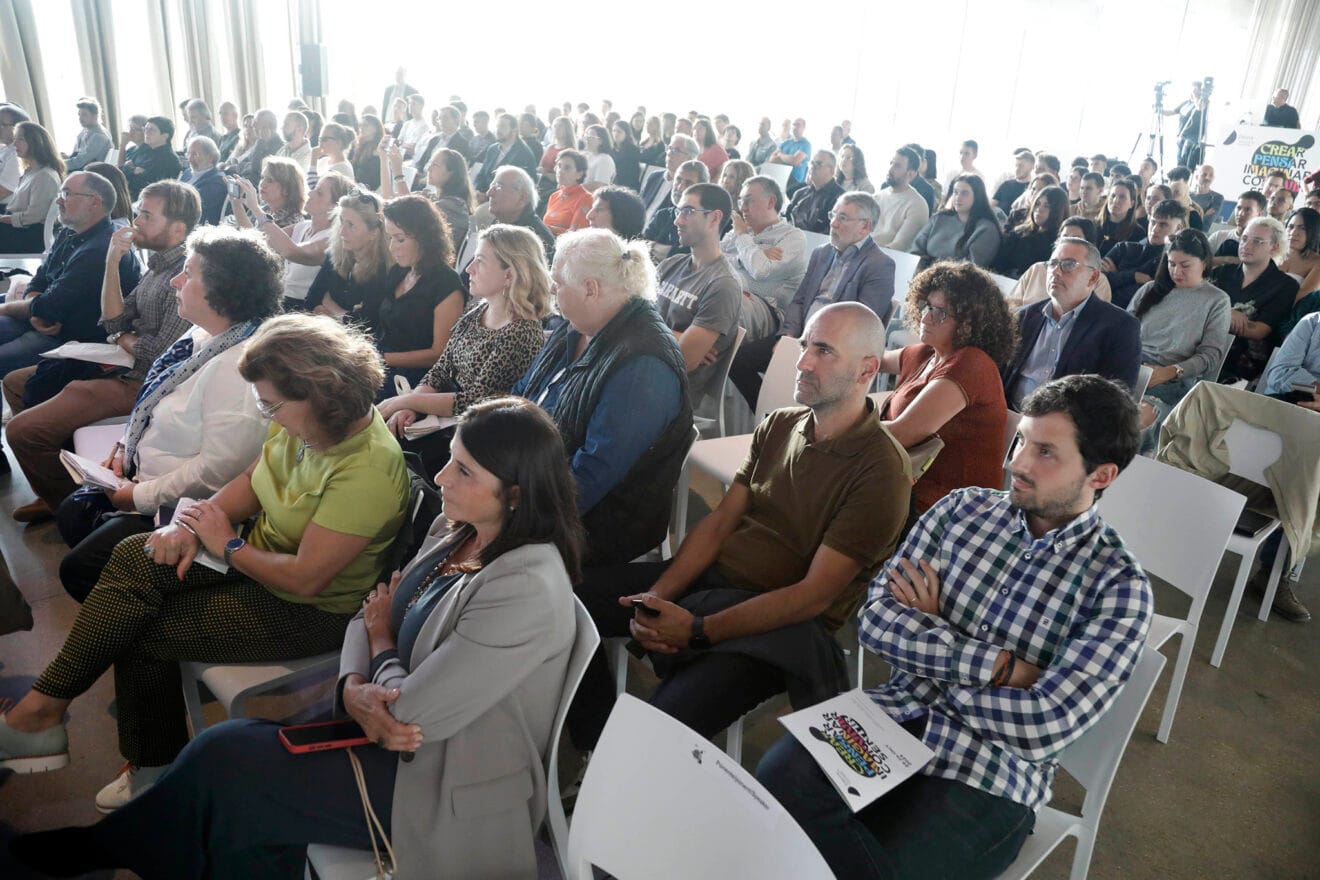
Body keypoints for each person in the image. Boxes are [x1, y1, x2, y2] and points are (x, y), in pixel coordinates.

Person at [11, 395, 583, 880]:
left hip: (442, 779)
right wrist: (357, 680)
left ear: (514, 494)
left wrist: (379, 649)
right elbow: (368, 613)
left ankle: (99, 849)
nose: (439, 478)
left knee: (234, 772)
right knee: (224, 753)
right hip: (392, 739)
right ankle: (114, 848)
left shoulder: (526, 588)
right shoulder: (456, 529)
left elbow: (408, 708)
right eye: (450, 460)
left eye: (463, 471)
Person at [0, 309, 410, 812]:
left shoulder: (367, 470)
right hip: (260, 560)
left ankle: (140, 761)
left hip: (314, 610)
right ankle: (48, 716)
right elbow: (252, 481)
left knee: (144, 632)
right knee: (134, 553)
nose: (267, 415)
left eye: (271, 405)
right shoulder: (307, 423)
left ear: (320, 396)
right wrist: (190, 525)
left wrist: (227, 545)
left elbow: (305, 581)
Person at [757, 373, 1152, 880]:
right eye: (1021, 441)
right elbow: (876, 621)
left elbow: (1044, 725)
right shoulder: (962, 509)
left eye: (1046, 453)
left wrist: (933, 633)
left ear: (1101, 476)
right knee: (779, 779)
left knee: (889, 865)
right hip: (894, 714)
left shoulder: (1118, 587)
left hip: (993, 771)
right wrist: (1001, 667)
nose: (1016, 463)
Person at [568, 301, 911, 751]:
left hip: (774, 627)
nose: (803, 363)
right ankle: (596, 743)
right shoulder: (780, 425)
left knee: (654, 730)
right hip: (712, 586)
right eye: (805, 346)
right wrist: (660, 596)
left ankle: (621, 758)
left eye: (824, 351)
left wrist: (697, 629)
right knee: (562, 600)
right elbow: (718, 524)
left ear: (868, 369)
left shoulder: (882, 471)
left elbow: (812, 596)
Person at [5, 180, 200, 526]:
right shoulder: (157, 266)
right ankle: (56, 485)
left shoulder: (185, 274)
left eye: (147, 215)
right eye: (139, 212)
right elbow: (112, 320)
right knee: (15, 383)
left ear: (178, 229)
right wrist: (112, 262)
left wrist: (121, 335)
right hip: (122, 363)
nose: (136, 222)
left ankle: (76, 511)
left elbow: (155, 355)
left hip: (143, 382)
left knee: (22, 432)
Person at [512, 228, 692, 565]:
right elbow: (525, 389)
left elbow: (591, 476)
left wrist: (515, 512)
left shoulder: (644, 365)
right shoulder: (577, 324)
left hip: (596, 525)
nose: (551, 289)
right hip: (533, 474)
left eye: (558, 282)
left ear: (590, 289)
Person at [379, 225, 552, 474]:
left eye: (480, 261)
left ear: (509, 275)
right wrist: (410, 407)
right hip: (446, 422)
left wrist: (408, 400)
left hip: (478, 439)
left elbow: (475, 402)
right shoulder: (479, 310)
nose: (469, 268)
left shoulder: (521, 332)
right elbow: (442, 367)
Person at [730, 191, 894, 408]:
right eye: (833, 215)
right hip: (801, 336)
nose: (833, 223)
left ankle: (793, 414)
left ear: (865, 226)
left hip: (834, 347)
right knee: (739, 362)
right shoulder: (822, 253)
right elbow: (800, 300)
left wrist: (816, 347)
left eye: (843, 218)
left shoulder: (879, 264)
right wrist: (787, 336)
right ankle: (774, 413)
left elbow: (861, 321)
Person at [877, 261, 1016, 516]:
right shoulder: (928, 353)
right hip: (903, 486)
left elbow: (900, 435)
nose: (925, 317)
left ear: (970, 323)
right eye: (927, 306)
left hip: (948, 511)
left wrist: (838, 424)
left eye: (940, 313)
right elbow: (871, 361)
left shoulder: (972, 364)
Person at [0, 172, 142, 387]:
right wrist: (35, 309)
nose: (58, 200)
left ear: (94, 202)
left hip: (70, 339)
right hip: (43, 320)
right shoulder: (70, 232)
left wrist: (10, 308)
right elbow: (40, 279)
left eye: (66, 194)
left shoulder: (100, 249)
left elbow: (48, 306)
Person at [1001, 237, 1142, 409]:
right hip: (1007, 414)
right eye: (1053, 263)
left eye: (1068, 265)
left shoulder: (1120, 327)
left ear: (1093, 277)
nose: (1056, 271)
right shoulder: (1024, 316)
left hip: (1067, 423)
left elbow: (1116, 400)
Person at [1129, 229, 1232, 445]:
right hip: (1131, 368)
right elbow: (1123, 331)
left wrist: (1171, 371)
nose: (1176, 271)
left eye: (1185, 265)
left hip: (1171, 380)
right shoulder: (1151, 289)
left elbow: (1210, 356)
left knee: (1131, 422)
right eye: (1171, 264)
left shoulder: (1217, 300)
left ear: (1204, 263)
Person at [654, 183, 743, 403]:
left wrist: (640, 328)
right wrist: (678, 336)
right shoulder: (671, 264)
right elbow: (628, 319)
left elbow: (683, 359)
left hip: (669, 394)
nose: (677, 220)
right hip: (641, 371)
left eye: (687, 211)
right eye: (678, 211)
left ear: (714, 218)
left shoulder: (723, 284)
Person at [376, 195, 466, 393]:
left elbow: (439, 353)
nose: (392, 247)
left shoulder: (446, 283)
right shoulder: (399, 271)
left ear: (424, 238)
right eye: (390, 238)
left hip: (419, 380)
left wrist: (382, 358)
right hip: (384, 364)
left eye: (400, 239)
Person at [1210, 216, 1298, 383]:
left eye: (1257, 241)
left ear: (1274, 247)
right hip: (1206, 348)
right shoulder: (1222, 272)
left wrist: (1217, 315)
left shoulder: (1285, 285)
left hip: (1243, 364)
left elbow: (1259, 330)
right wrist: (1227, 314)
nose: (1247, 245)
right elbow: (1197, 311)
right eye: (1244, 239)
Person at [721, 175, 808, 342]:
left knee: (720, 302)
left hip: (766, 309)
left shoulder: (793, 237)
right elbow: (713, 260)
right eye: (740, 201)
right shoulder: (742, 229)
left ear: (771, 202)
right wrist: (744, 258)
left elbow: (760, 271)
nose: (742, 208)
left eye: (749, 201)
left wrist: (742, 237)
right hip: (729, 294)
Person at [304, 188, 392, 322]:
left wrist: (330, 306)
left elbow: (367, 325)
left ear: (374, 232)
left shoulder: (382, 269)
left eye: (351, 225)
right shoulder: (334, 255)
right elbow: (310, 301)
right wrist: (347, 315)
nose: (342, 232)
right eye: (341, 221)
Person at [1007, 217, 1114, 309]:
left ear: (1089, 245)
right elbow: (1011, 305)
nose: (1068, 242)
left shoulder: (1098, 280)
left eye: (1076, 238)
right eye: (1064, 237)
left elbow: (1096, 318)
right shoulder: (1037, 269)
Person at [1103, 198, 1186, 308]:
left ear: (1178, 228)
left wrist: (1115, 275)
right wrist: (1132, 276)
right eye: (1153, 222)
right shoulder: (1123, 248)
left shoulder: (1172, 263)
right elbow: (1095, 279)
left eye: (1163, 225)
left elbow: (1140, 297)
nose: (1155, 229)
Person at [911, 173, 1001, 270]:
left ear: (977, 196)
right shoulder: (939, 217)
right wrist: (921, 271)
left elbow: (970, 269)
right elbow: (916, 249)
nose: (958, 197)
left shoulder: (986, 230)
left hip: (956, 278)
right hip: (922, 273)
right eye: (955, 192)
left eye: (964, 193)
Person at [0, 121, 63, 253]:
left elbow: (34, 216)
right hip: (19, 228)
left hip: (27, 235)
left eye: (20, 139)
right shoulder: (31, 172)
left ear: (35, 142)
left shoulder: (45, 176)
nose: (15, 144)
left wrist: (3, 218)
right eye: (15, 139)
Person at [991, 185, 1069, 278]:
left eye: (1047, 206)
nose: (1039, 209)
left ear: (1058, 210)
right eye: (1037, 204)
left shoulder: (1059, 244)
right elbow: (997, 265)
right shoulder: (1018, 233)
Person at [484, 166, 556, 263]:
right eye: (492, 186)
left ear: (521, 198)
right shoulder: (504, 221)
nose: (489, 193)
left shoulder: (533, 239)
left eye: (498, 187)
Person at [643, 158, 707, 262]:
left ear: (701, 189)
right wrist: (667, 250)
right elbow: (640, 245)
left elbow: (683, 259)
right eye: (678, 180)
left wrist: (653, 247)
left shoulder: (701, 224)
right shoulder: (662, 215)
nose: (680, 187)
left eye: (688, 183)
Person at [871, 147, 929, 252]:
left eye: (897, 166)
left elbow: (899, 246)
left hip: (888, 258)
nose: (890, 169)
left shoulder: (918, 205)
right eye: (891, 163)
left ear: (910, 174)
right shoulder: (876, 197)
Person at [230, 155, 306, 230]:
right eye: (262, 177)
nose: (262, 184)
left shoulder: (292, 220)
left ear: (286, 189)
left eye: (270, 180)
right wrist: (236, 202)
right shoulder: (266, 208)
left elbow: (254, 237)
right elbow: (246, 230)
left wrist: (254, 207)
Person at [1278, 207, 1320, 340]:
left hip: (1288, 321)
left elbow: (1301, 300)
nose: (1293, 233)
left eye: (1302, 228)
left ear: (1314, 231)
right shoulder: (1273, 253)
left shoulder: (1317, 262)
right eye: (1290, 227)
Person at [472, 113, 539, 197]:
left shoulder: (524, 153)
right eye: (497, 126)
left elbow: (522, 187)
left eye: (502, 126)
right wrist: (477, 191)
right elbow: (481, 175)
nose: (498, 130)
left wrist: (487, 197)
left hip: (506, 199)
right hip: (486, 195)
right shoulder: (492, 149)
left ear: (514, 130)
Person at [640, 133, 700, 224]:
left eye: (676, 150)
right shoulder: (655, 177)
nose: (669, 153)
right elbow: (639, 205)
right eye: (669, 148)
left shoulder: (686, 187)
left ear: (689, 158)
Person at [122, 117, 183, 200]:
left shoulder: (168, 159)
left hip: (149, 200)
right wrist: (133, 170)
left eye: (152, 130)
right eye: (146, 128)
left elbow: (140, 184)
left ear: (165, 136)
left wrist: (130, 169)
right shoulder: (145, 149)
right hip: (133, 196)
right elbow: (122, 170)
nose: (147, 132)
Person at [786, 151, 844, 234]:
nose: (813, 167)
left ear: (832, 170)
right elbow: (786, 219)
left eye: (818, 164)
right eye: (812, 163)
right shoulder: (800, 193)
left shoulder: (841, 199)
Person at [543, 149, 593, 236]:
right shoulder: (554, 196)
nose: (560, 171)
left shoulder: (586, 198)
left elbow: (576, 234)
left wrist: (547, 229)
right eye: (559, 166)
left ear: (579, 174)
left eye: (567, 168)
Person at [1210, 190, 1267, 263]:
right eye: (1239, 208)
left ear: (1259, 214)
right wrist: (1227, 259)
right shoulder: (1218, 236)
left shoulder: (1262, 244)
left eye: (1248, 209)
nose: (1241, 213)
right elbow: (1201, 260)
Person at [180, 136, 227, 225]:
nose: (190, 159)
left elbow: (190, 208)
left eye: (195, 154)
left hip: (197, 225)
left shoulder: (216, 182)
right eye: (188, 154)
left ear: (210, 157)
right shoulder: (188, 172)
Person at [63, 98, 113, 171]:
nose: (80, 118)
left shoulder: (99, 136)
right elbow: (79, 155)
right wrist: (67, 157)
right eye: (79, 114)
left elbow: (79, 162)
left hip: (94, 173)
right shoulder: (84, 131)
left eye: (84, 115)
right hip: (83, 170)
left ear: (95, 116)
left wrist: (59, 164)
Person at [1098, 178, 1143, 255]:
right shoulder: (1094, 225)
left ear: (1131, 204)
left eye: (1122, 197)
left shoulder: (1138, 233)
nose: (1115, 200)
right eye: (1113, 195)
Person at [0, 103, 30, 210]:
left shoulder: (17, 154)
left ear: (17, 128)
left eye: (1, 124)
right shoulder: (4, 149)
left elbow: (3, 191)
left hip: (6, 210)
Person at [770, 118, 811, 189]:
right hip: (780, 173)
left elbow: (795, 161)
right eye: (794, 125)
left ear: (804, 128)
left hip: (793, 179)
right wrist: (789, 160)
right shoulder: (786, 143)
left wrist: (780, 155)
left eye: (798, 125)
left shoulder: (806, 144)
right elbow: (772, 159)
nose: (795, 127)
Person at [348, 114, 384, 191]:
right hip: (355, 184)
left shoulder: (380, 147)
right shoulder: (356, 144)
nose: (361, 128)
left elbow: (374, 176)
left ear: (376, 128)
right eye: (360, 125)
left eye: (366, 125)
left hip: (370, 188)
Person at [611, 119, 643, 190]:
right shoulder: (611, 149)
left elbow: (630, 173)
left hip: (627, 186)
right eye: (614, 131)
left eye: (619, 131)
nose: (616, 134)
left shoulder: (633, 150)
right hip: (613, 183)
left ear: (626, 134)